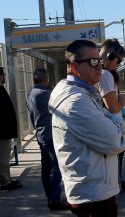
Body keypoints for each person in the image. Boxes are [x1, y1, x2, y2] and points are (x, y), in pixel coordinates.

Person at [48, 40, 125, 217]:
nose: (99, 66)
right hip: (93, 195)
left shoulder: (84, 93)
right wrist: (116, 111)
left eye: (99, 60)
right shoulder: (76, 102)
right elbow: (116, 141)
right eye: (92, 62)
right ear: (74, 67)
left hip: (94, 189)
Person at [26, 68, 68, 210]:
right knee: (56, 167)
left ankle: (49, 194)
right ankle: (54, 199)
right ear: (46, 79)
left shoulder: (30, 93)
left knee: (46, 166)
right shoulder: (46, 94)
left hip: (40, 134)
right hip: (51, 135)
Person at [95, 39, 125, 192]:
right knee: (115, 162)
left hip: (106, 126)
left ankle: (118, 183)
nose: (117, 65)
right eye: (117, 61)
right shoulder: (105, 75)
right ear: (110, 56)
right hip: (112, 128)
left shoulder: (99, 73)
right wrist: (123, 101)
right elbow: (112, 108)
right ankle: (117, 184)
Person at [0, 67, 22, 191]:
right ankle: (5, 182)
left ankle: (6, 179)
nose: (5, 77)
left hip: (5, 132)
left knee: (4, 158)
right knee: (3, 158)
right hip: (3, 133)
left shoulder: (1, 90)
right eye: (3, 74)